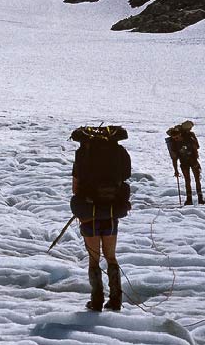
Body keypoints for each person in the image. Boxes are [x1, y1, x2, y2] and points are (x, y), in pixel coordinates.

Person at [70, 125, 132, 312]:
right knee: (111, 256)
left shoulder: (83, 154)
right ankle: (116, 300)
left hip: (90, 213)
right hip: (112, 211)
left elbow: (76, 187)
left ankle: (96, 300)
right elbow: (126, 176)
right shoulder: (118, 152)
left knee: (94, 258)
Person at [166, 120, 205, 205]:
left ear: (180, 134)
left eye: (176, 137)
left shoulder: (188, 138)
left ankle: (198, 198)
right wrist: (175, 170)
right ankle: (190, 199)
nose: (176, 139)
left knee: (197, 179)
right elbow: (174, 158)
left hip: (192, 160)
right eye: (174, 138)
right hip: (185, 163)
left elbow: (197, 146)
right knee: (188, 180)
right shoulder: (174, 144)